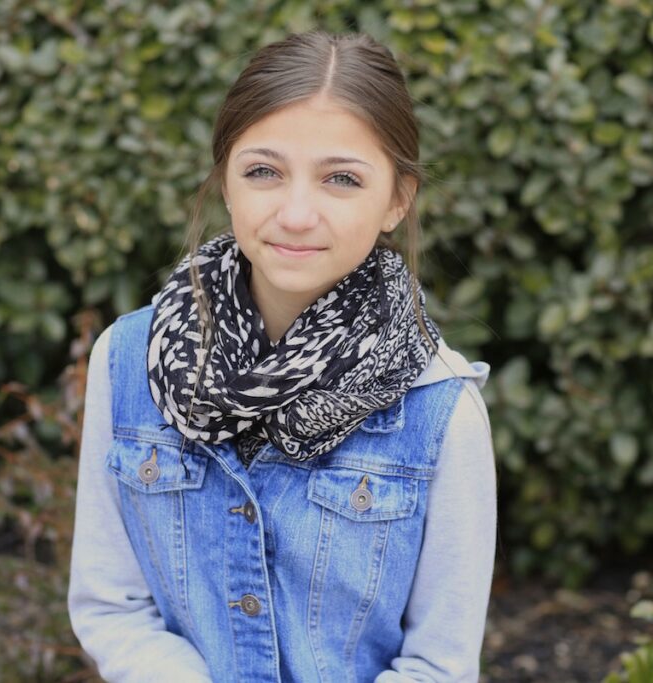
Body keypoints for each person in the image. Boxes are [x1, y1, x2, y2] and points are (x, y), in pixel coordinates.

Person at [67, 29, 497, 683]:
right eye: (264, 171)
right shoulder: (127, 361)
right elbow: (112, 605)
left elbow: (439, 663)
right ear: (226, 183)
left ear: (397, 199)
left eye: (342, 179)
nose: (297, 214)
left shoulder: (440, 407)